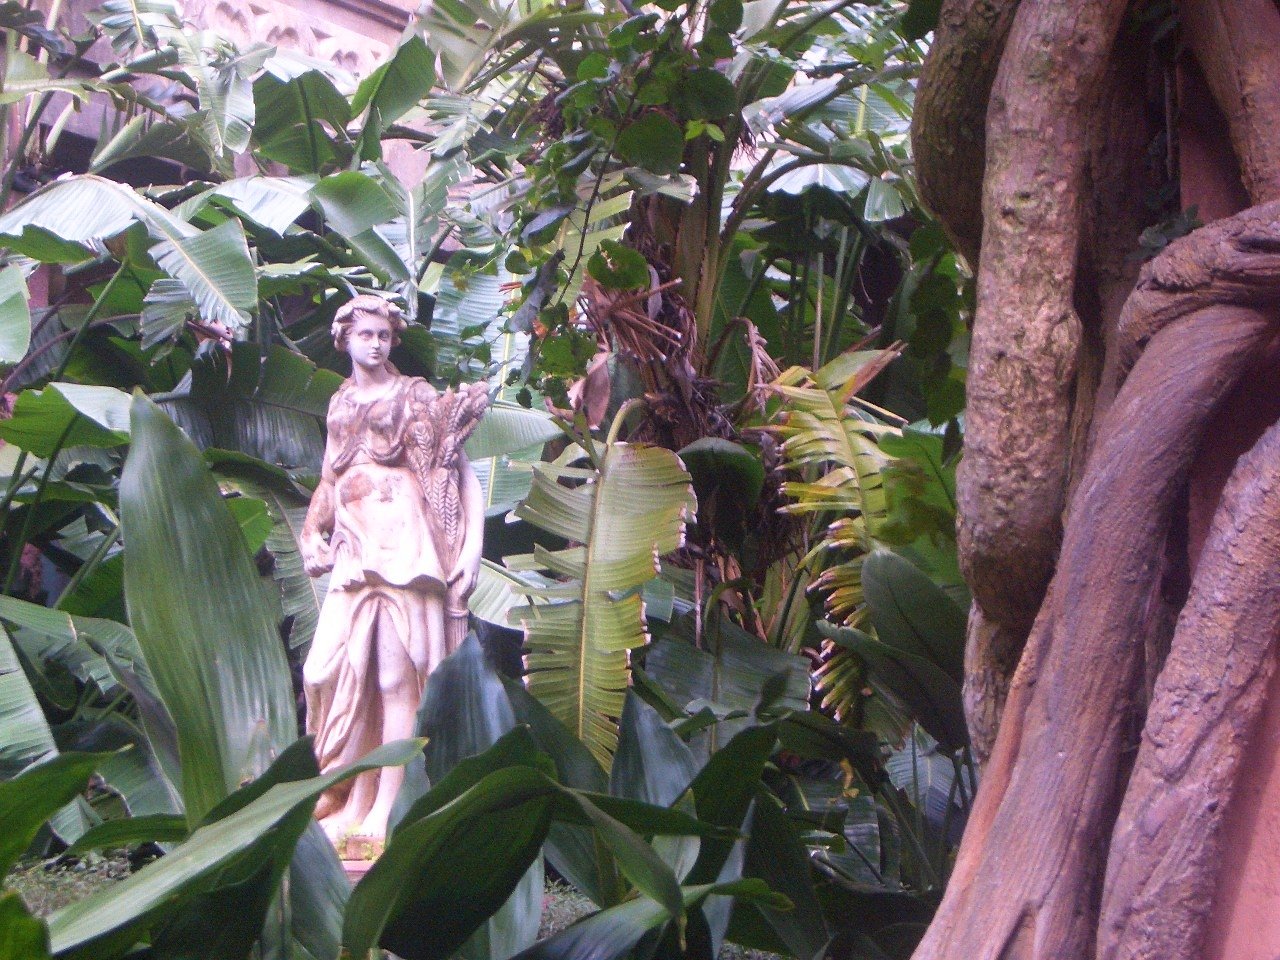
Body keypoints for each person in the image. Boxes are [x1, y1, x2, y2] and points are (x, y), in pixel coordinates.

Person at [300, 295, 487, 842]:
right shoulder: (340, 404)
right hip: (354, 552)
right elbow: (329, 480)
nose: (376, 344)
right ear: (345, 340)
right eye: (366, 335)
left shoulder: (414, 396)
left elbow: (459, 471)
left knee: (392, 680)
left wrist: (471, 548)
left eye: (384, 335)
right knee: (327, 672)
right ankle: (352, 795)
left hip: (406, 548)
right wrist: (310, 532)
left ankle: (385, 806)